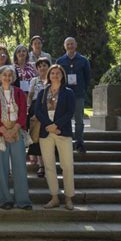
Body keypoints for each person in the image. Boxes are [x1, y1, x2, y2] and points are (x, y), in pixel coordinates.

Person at [0, 65, 32, 210]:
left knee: (20, 167)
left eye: (9, 75)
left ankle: (23, 200)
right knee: (1, 168)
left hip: (17, 134)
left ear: (13, 78)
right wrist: (5, 132)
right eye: (4, 75)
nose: (7, 77)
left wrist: (13, 130)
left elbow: (23, 114)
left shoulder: (19, 93)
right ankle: (4, 200)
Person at [35, 64, 76, 210]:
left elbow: (70, 112)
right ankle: (54, 198)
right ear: (49, 75)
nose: (55, 75)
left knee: (67, 166)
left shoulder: (68, 92)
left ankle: (69, 198)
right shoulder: (43, 92)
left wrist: (56, 125)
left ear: (62, 76)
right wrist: (48, 125)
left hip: (62, 132)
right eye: (52, 73)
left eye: (58, 73)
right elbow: (37, 111)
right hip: (46, 133)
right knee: (49, 166)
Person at [56, 37, 90, 154]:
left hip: (78, 95)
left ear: (76, 45)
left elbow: (87, 78)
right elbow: (56, 77)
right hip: (64, 95)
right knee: (64, 119)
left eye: (72, 44)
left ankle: (79, 143)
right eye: (68, 44)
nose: (70, 46)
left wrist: (82, 90)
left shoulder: (83, 60)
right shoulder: (60, 61)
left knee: (79, 120)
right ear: (65, 46)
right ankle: (65, 143)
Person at [27, 57, 51, 177]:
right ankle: (41, 165)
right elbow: (30, 96)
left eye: (44, 65)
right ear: (37, 69)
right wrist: (28, 108)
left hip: (50, 110)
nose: (42, 68)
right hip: (36, 110)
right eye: (40, 66)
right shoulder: (34, 81)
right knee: (37, 138)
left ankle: (50, 165)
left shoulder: (53, 80)